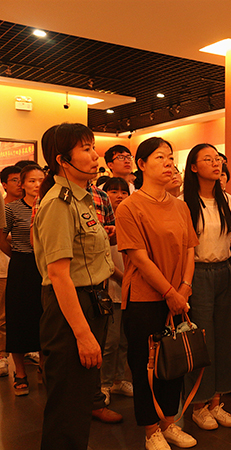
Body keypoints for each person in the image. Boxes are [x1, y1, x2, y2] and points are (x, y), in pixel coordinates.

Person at [33, 123, 115, 450]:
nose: (95, 156)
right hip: (70, 306)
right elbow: (58, 275)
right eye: (86, 149)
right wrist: (82, 334)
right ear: (62, 160)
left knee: (78, 400)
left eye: (93, 147)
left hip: (89, 300)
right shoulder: (59, 203)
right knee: (67, 407)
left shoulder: (82, 198)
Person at [116, 136, 198, 450]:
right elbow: (139, 258)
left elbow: (189, 248)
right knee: (146, 367)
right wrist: (170, 292)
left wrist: (185, 288)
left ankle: (169, 423)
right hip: (145, 299)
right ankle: (151, 430)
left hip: (179, 296)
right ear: (141, 164)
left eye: (170, 157)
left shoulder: (180, 206)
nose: (168, 163)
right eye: (160, 157)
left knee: (175, 361)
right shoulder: (129, 206)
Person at [182, 143, 231, 432]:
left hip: (224, 270)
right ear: (194, 167)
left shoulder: (229, 201)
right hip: (198, 273)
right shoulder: (183, 202)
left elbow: (230, 238)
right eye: (208, 159)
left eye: (218, 159)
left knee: (226, 336)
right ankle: (198, 405)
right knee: (202, 340)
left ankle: (217, 400)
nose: (217, 163)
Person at [0, 164, 44, 396]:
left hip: (45, 266)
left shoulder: (49, 204)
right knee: (17, 318)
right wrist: (16, 255)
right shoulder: (12, 208)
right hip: (21, 265)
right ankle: (20, 372)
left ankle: (44, 368)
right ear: (22, 184)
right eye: (31, 181)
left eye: (40, 180)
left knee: (45, 317)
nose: (37, 185)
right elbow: (1, 237)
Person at [100, 177, 133, 404]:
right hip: (112, 289)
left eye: (124, 192)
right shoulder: (103, 224)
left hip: (130, 290)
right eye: (113, 191)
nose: (119, 196)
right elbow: (105, 262)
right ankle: (104, 384)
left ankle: (119, 379)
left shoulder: (131, 219)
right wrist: (125, 280)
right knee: (110, 342)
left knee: (124, 340)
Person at [0, 167, 16, 377]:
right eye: (14, 180)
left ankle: (3, 355)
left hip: (9, 267)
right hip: (5, 266)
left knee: (5, 314)